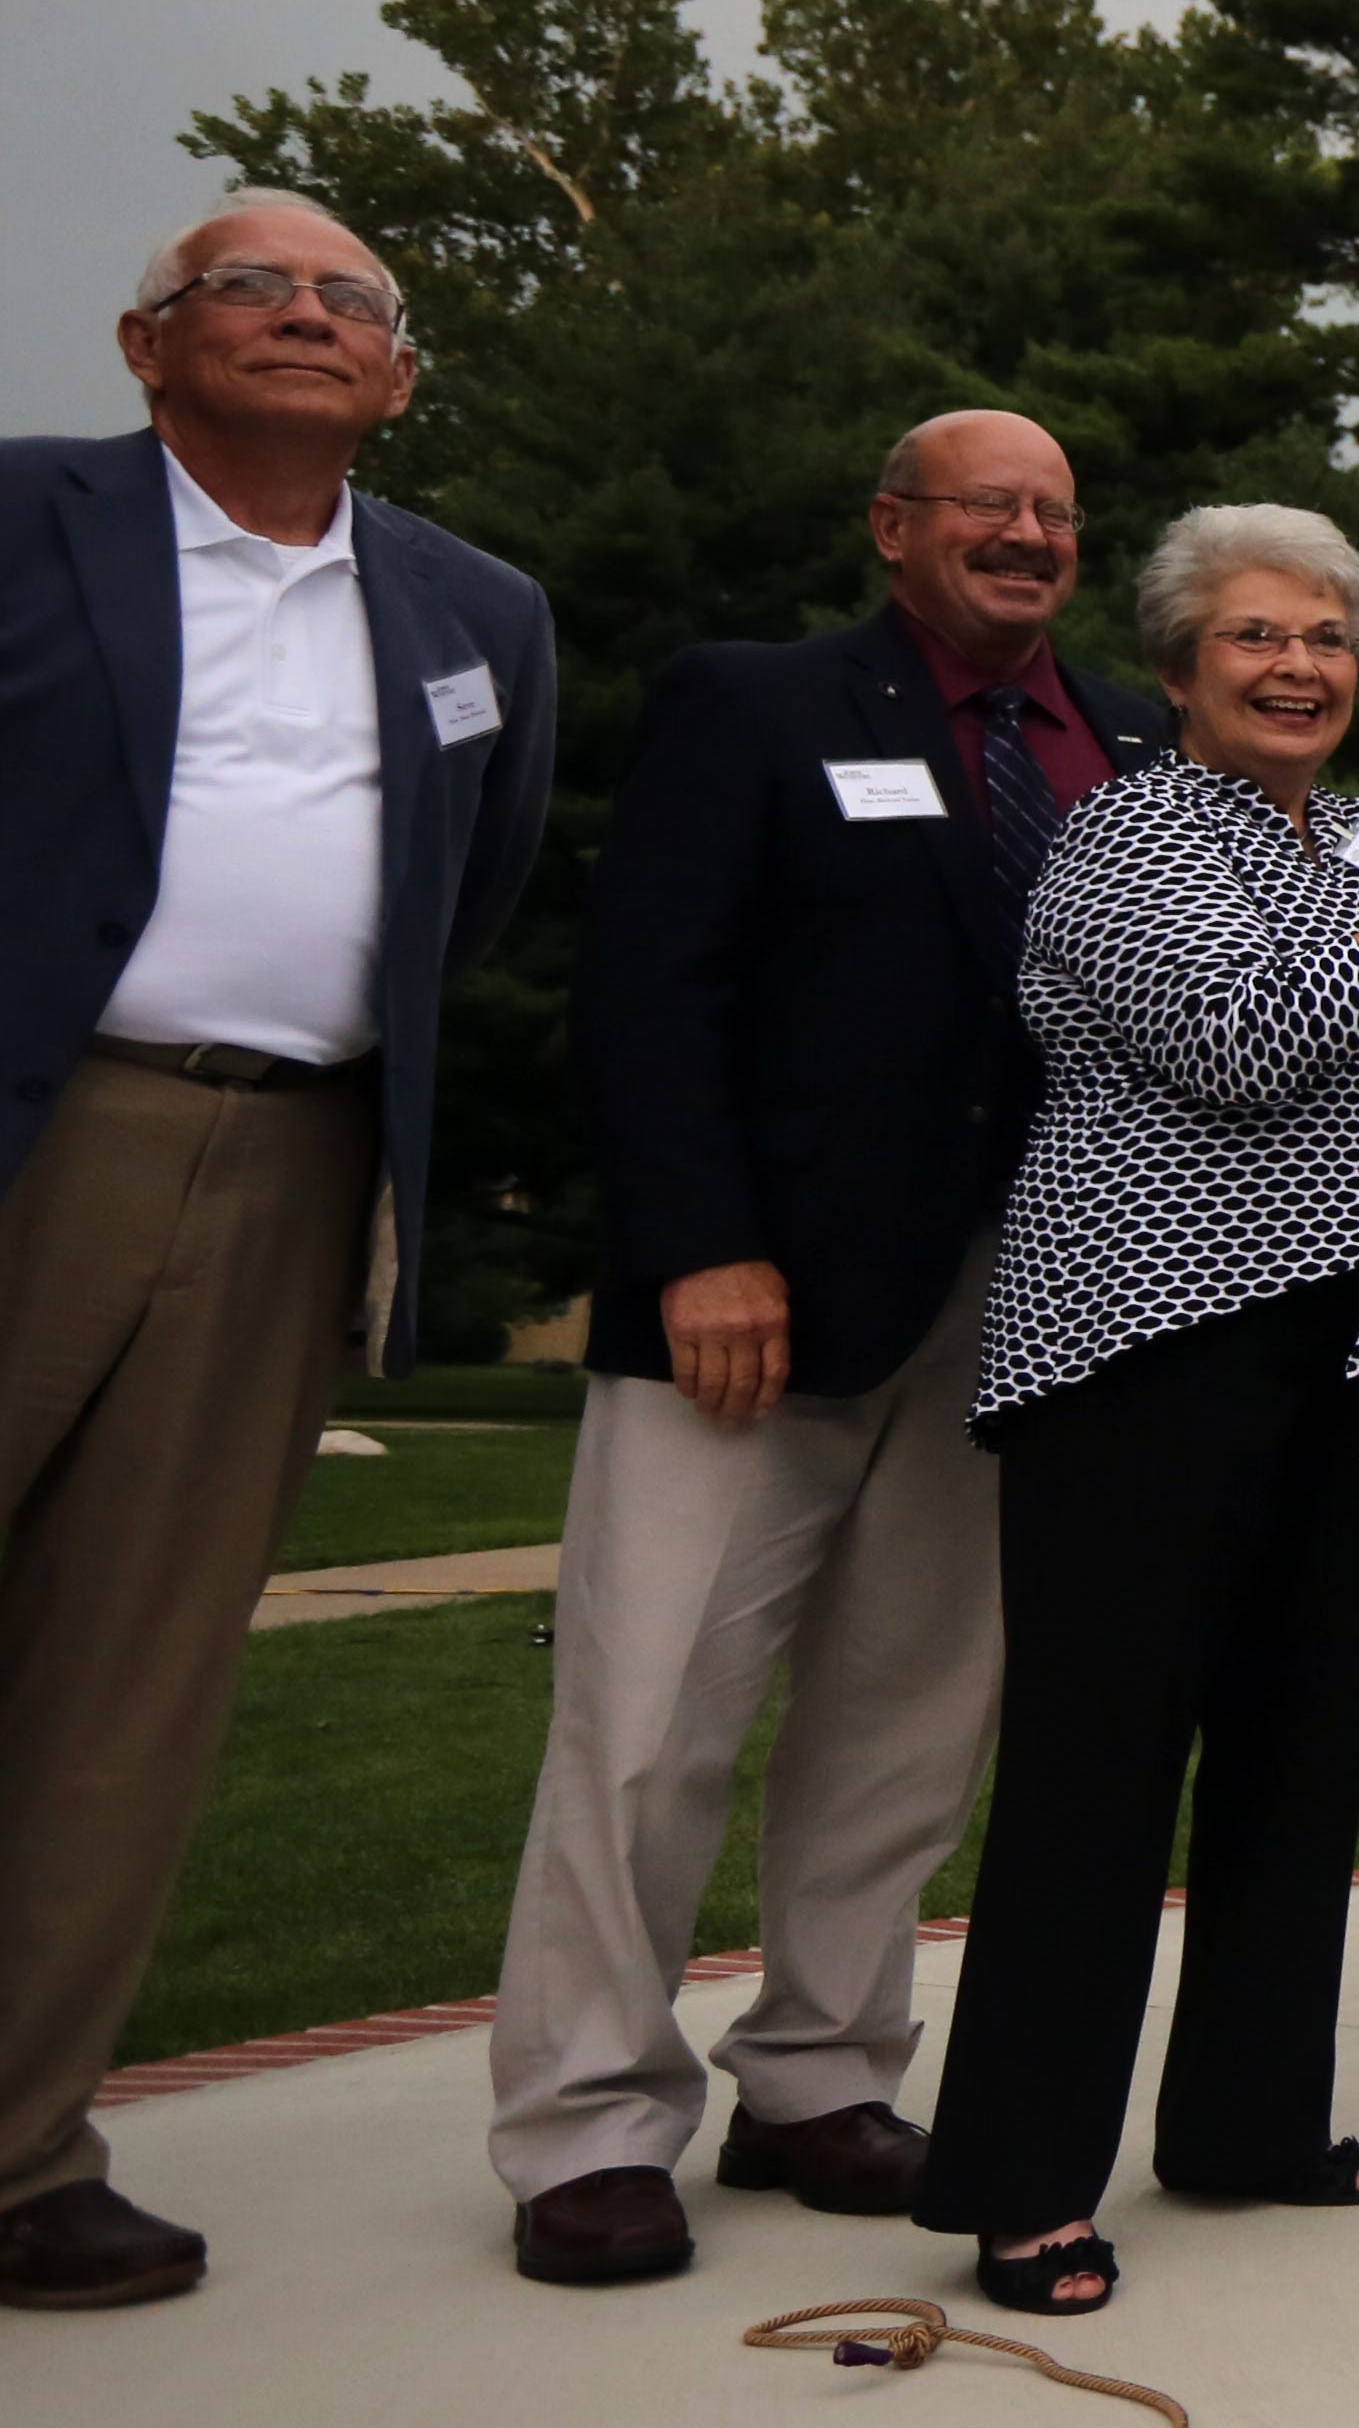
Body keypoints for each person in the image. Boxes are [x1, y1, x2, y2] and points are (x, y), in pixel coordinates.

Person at [482, 410, 1171, 2283]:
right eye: (986, 506)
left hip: (1028, 1306)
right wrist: (703, 1243)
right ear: (893, 528)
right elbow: (652, 986)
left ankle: (820, 2073)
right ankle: (590, 2123)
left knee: (911, 1719)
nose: (1027, 535)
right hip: (758, 1309)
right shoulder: (758, 706)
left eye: (1054, 512)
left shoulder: (1130, 739)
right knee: (647, 1719)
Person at [906, 505, 1359, 2315]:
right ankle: (1026, 2175)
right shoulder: (1121, 836)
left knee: (1301, 1752)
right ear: (1184, 666)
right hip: (1148, 1353)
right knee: (1101, 1772)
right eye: (1257, 639)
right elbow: (1242, 1044)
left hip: (1357, 1349)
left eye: (1331, 638)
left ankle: (1247, 2121)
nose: (1302, 669)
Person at [0, 189, 554, 2312]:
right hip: (44, 1129)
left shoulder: (474, 610)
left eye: (356, 301)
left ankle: (23, 2147)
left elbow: (465, 893)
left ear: (399, 377)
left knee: (127, 1687)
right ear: (149, 343)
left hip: (291, 1160)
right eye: (256, 284)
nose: (310, 317)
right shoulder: (31, 516)